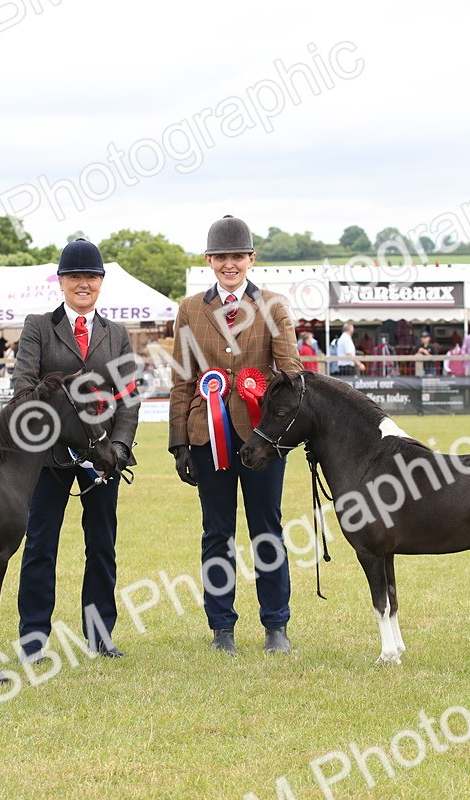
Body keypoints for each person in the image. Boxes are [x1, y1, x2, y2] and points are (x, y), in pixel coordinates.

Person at [169, 215, 301, 656]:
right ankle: (221, 627)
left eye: (237, 257)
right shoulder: (190, 309)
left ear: (251, 259)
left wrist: (281, 430)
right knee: (216, 533)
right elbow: (183, 380)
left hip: (262, 439)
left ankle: (275, 625)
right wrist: (178, 443)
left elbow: (291, 375)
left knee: (268, 530)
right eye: (221, 257)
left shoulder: (274, 306)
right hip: (207, 436)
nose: (230, 264)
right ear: (209, 260)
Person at [15, 238, 138, 660]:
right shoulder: (38, 327)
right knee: (40, 544)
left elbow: (127, 398)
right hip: (48, 458)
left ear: (100, 282)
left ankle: (100, 634)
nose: (82, 284)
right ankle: (33, 637)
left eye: (90, 277)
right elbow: (23, 390)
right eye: (74, 277)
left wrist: (118, 448)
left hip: (103, 458)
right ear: (61, 282)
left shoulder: (117, 334)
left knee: (102, 545)